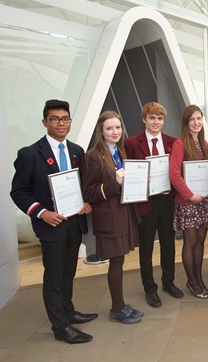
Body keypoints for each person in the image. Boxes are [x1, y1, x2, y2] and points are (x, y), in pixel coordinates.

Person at [10, 99, 96, 344]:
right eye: (55, 118)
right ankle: (60, 327)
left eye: (65, 118)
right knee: (54, 276)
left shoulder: (77, 151)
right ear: (45, 122)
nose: (61, 123)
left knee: (68, 272)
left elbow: (82, 186)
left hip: (74, 222)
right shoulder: (29, 154)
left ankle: (68, 312)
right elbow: (18, 192)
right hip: (52, 225)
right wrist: (41, 212)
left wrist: (87, 202)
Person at [80, 111, 142, 324]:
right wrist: (114, 181)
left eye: (118, 127)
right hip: (110, 219)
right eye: (109, 128)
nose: (115, 132)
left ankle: (121, 305)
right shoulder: (93, 156)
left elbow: (127, 183)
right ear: (101, 131)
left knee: (120, 260)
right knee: (115, 263)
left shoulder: (120, 152)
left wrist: (141, 179)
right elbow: (88, 193)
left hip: (124, 215)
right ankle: (117, 309)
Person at [124, 102, 184, 308]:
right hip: (146, 202)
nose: (156, 122)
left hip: (167, 201)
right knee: (147, 248)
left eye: (159, 118)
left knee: (169, 244)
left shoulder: (172, 142)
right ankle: (150, 288)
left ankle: (168, 282)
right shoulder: (131, 143)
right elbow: (128, 173)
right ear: (144, 119)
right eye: (151, 118)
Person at [169, 105, 208, 299]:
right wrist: (189, 195)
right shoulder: (180, 144)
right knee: (190, 241)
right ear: (186, 123)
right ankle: (192, 281)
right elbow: (174, 173)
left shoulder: (203, 143)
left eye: (199, 118)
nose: (196, 122)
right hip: (188, 202)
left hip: (203, 201)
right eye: (192, 119)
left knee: (201, 240)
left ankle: (199, 278)